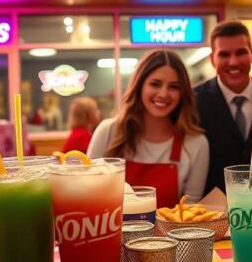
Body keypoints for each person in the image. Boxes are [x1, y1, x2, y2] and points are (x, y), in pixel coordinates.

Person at [88, 49, 209, 207]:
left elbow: (191, 207)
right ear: (139, 86)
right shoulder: (109, 131)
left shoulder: (196, 143)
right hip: (113, 231)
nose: (163, 94)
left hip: (168, 232)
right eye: (155, 84)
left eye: (173, 87)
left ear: (182, 93)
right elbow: (89, 193)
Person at [194, 21, 252, 194]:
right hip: (216, 213)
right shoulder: (194, 101)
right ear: (212, 59)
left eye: (241, 52)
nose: (233, 62)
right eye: (224, 54)